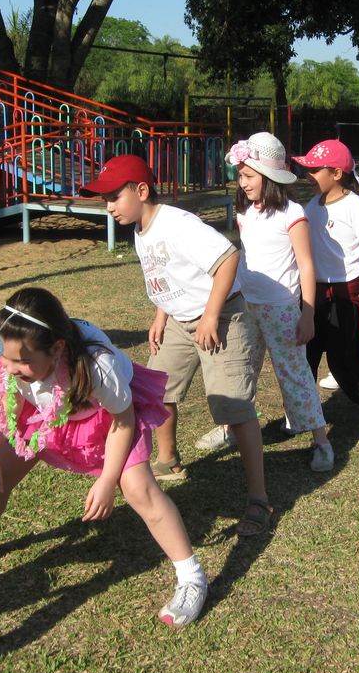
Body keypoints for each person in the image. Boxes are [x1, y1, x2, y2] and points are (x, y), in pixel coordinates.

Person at [0, 288, 209, 626]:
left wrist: (108, 480)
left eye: (23, 361)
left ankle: (192, 578)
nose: (11, 368)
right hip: (46, 413)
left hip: (107, 419)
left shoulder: (97, 366)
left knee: (139, 489)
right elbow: (5, 405)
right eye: (6, 358)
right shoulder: (4, 353)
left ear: (57, 348)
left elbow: (123, 420)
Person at [85, 156, 272, 537]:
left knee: (233, 407)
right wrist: (161, 316)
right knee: (157, 390)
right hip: (179, 321)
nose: (108, 207)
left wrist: (210, 315)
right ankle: (168, 459)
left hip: (221, 317)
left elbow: (228, 259)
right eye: (105, 199)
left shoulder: (177, 224)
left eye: (114, 197)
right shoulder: (141, 229)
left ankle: (259, 498)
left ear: (141, 191)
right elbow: (166, 276)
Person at [224, 132, 334, 472]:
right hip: (246, 305)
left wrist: (307, 314)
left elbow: (306, 265)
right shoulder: (245, 212)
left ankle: (321, 441)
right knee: (241, 368)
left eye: (248, 176)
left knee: (294, 374)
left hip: (282, 308)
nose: (242, 183)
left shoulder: (292, 213)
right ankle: (230, 428)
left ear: (268, 176)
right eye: (240, 176)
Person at [292, 139, 359, 433]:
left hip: (344, 293)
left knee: (343, 360)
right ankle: (303, 412)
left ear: (337, 173)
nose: (309, 175)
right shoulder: (311, 205)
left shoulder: (354, 205)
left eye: (315, 170)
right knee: (305, 355)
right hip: (312, 293)